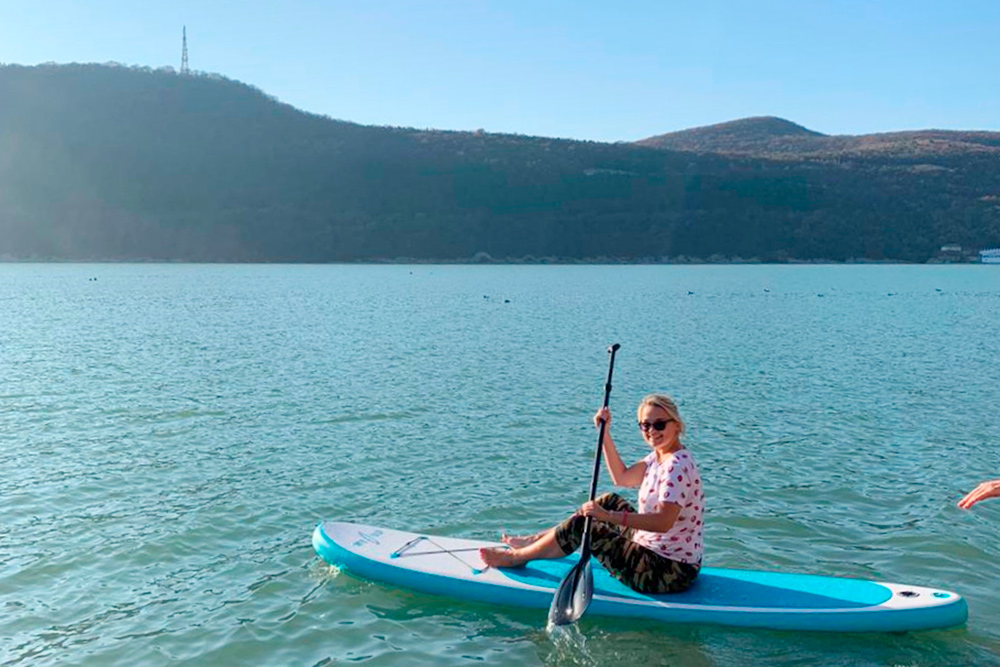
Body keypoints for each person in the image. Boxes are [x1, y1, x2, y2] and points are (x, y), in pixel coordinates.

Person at [479, 394, 704, 594]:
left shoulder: (676, 466)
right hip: (653, 549)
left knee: (587, 526)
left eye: (659, 424)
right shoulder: (659, 457)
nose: (652, 431)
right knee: (608, 501)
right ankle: (537, 539)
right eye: (645, 425)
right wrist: (604, 434)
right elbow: (622, 477)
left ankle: (516, 558)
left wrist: (609, 517)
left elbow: (663, 522)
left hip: (668, 572)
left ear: (677, 425)